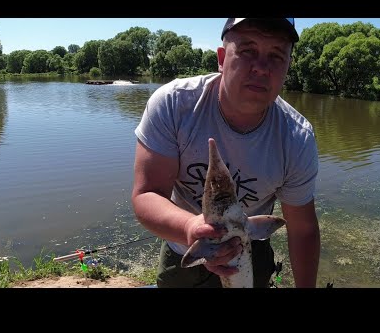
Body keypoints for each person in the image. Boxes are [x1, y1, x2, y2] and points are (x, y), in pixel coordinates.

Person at [131, 18, 320, 288]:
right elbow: (146, 195)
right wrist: (190, 229)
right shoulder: (173, 104)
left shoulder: (296, 137)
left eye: (276, 56)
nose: (262, 68)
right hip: (183, 248)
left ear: (288, 67)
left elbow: (302, 229)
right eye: (247, 51)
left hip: (251, 252)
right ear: (221, 58)